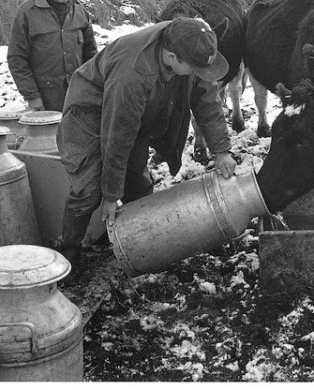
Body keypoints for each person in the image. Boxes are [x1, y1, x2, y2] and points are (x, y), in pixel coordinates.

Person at [56, 17, 238, 268]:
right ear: (173, 58)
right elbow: (117, 136)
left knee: (139, 186)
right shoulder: (133, 72)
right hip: (91, 112)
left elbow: (207, 100)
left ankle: (137, 243)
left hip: (137, 112)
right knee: (89, 190)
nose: (200, 74)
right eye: (195, 69)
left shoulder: (192, 40)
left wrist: (220, 150)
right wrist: (110, 194)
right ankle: (68, 255)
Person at [7, 0, 97, 112]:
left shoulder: (80, 12)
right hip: (45, 100)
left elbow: (92, 55)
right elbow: (16, 58)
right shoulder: (27, 13)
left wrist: (93, 88)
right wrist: (32, 96)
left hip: (79, 95)